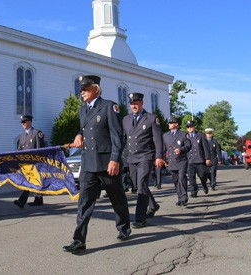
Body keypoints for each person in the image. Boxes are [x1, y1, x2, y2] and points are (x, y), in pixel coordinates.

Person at [63, 75, 131, 253]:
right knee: (84, 202)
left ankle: (124, 227)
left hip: (106, 162)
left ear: (96, 89)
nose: (82, 92)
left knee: (117, 198)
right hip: (89, 163)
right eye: (81, 89)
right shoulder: (81, 110)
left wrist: (115, 159)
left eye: (85, 88)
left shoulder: (109, 106)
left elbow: (117, 135)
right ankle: (79, 240)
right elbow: (84, 129)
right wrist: (78, 135)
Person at [123, 92, 164, 228]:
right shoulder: (126, 119)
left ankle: (140, 218)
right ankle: (153, 205)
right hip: (131, 157)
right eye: (131, 103)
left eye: (136, 103)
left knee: (141, 184)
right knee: (137, 185)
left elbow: (158, 139)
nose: (134, 105)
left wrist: (159, 156)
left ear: (141, 102)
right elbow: (123, 139)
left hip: (146, 156)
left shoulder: (151, 118)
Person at [13, 114, 46, 208]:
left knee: (31, 181)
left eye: (24, 122)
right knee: (31, 181)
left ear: (30, 122)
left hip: (35, 162)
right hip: (25, 163)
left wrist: (39, 162)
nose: (23, 124)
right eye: (22, 123)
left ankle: (22, 201)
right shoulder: (22, 135)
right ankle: (38, 200)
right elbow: (19, 149)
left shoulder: (37, 133)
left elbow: (41, 149)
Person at [162, 116, 191, 207]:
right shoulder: (165, 135)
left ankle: (183, 198)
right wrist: (164, 159)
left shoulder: (183, 134)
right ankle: (179, 197)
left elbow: (188, 146)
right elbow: (163, 149)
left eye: (171, 123)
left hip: (181, 160)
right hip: (171, 161)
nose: (169, 124)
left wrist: (181, 149)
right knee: (175, 180)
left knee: (182, 178)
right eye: (169, 123)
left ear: (176, 124)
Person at [185, 120, 211, 197]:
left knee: (202, 175)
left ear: (194, 126)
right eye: (188, 127)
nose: (190, 128)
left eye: (191, 126)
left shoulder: (201, 135)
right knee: (191, 177)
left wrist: (207, 158)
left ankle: (204, 184)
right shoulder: (185, 136)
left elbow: (206, 148)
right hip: (190, 160)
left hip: (200, 160)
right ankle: (194, 191)